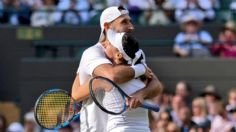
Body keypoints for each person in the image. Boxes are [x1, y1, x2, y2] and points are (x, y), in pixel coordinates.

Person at [71, 6, 162, 132]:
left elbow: (156, 84)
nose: (131, 27)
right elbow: (112, 76)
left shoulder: (134, 52)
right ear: (107, 27)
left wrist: (141, 94)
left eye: (130, 21)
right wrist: (141, 68)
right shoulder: (92, 53)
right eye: (124, 22)